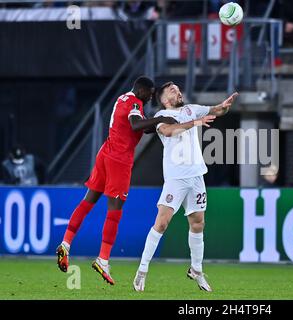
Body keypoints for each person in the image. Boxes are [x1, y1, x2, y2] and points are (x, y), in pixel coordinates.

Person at [55, 76, 180, 285]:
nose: (150, 98)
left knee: (88, 201)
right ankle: (103, 259)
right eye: (149, 94)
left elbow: (139, 125)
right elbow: (134, 124)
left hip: (106, 152)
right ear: (141, 91)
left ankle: (66, 243)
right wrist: (159, 120)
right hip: (119, 159)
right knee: (114, 211)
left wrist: (157, 121)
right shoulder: (135, 102)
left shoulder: (124, 98)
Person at [133, 82, 238, 292]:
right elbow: (170, 131)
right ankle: (142, 270)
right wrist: (195, 122)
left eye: (179, 89)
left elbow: (216, 110)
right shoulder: (162, 116)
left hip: (196, 175)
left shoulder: (191, 109)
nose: (178, 92)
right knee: (162, 223)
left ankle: (196, 270)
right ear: (163, 99)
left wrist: (224, 106)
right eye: (173, 90)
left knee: (198, 223)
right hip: (176, 178)